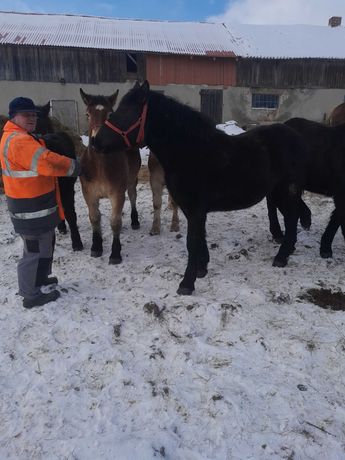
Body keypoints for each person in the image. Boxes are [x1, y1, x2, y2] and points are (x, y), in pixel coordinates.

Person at [0, 97, 81, 308]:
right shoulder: (19, 141)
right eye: (26, 115)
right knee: (33, 250)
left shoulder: (23, 136)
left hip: (38, 206)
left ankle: (41, 278)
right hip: (29, 209)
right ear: (13, 117)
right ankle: (30, 295)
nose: (32, 118)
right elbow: (47, 161)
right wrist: (77, 167)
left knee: (46, 243)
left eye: (34, 114)